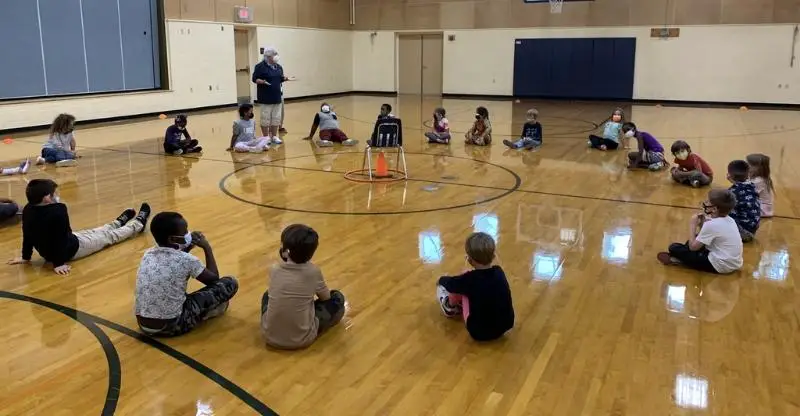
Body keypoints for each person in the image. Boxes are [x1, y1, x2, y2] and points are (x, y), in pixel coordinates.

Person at [6, 179, 150, 275]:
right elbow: (59, 239)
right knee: (109, 237)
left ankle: (118, 222)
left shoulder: (28, 209)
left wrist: (26, 257)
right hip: (69, 250)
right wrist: (59, 264)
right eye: (54, 193)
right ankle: (138, 224)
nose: (57, 195)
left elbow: (28, 233)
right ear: (47, 198)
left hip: (62, 245)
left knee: (95, 231)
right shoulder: (59, 210)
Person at [134, 212, 239, 337]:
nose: (188, 233)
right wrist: (206, 247)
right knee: (229, 283)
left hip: (143, 324)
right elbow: (213, 279)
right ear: (172, 239)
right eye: (184, 232)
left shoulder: (148, 254)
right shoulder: (187, 260)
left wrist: (188, 247)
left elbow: (175, 258)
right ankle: (205, 314)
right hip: (172, 326)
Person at [261, 224, 346, 349]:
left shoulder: (274, 269)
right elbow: (326, 298)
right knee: (337, 297)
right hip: (302, 339)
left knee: (266, 295)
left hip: (269, 336)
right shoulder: (313, 271)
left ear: (285, 251)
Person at [436, 232, 514, 341]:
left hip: (478, 332)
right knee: (471, 286)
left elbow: (451, 284)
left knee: (459, 286)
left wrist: (441, 279)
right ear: (493, 256)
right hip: (504, 326)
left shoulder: (470, 279)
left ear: (470, 260)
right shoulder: (499, 271)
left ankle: (449, 306)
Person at [657, 189, 743, 274]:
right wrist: (702, 224)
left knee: (674, 247)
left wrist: (692, 225)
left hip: (720, 266)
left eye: (708, 202)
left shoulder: (712, 224)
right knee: (692, 242)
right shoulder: (730, 220)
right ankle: (683, 259)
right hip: (733, 263)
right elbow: (704, 237)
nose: (705, 202)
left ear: (714, 209)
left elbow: (693, 247)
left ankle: (680, 261)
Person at [252, 47, 294, 145]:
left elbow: (280, 78)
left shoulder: (278, 67)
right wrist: (261, 81)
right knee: (265, 118)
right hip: (265, 97)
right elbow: (254, 79)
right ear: (267, 57)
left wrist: (286, 78)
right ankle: (266, 137)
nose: (276, 57)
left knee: (276, 118)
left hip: (277, 97)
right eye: (274, 55)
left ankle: (274, 136)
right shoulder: (260, 66)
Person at [727, 159, 761, 242]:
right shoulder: (751, 186)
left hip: (741, 233)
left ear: (729, 175)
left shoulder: (732, 192)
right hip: (751, 231)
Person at [746, 153, 774, 217]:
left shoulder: (759, 181)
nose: (746, 166)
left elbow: (746, 193)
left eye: (749, 164)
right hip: (762, 208)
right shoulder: (759, 179)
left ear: (759, 168)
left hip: (762, 210)